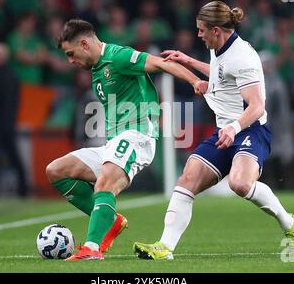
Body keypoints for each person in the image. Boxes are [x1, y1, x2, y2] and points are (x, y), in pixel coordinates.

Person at [133, 1, 294, 260]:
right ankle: (165, 247)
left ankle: (288, 222)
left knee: (239, 183)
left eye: (202, 30)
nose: (199, 35)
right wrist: (189, 61)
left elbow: (257, 106)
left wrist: (234, 128)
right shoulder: (220, 48)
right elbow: (222, 73)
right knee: (187, 179)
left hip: (250, 131)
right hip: (226, 130)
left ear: (216, 30)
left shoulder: (243, 57)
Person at [47, 19, 206, 261]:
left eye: (71, 54)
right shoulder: (97, 69)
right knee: (56, 170)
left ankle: (92, 248)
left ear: (84, 43)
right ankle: (109, 219)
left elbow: (160, 63)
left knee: (105, 183)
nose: (70, 61)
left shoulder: (118, 57)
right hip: (113, 143)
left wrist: (194, 81)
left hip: (137, 136)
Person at [0, 43, 27, 198]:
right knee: (4, 159)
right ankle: (19, 189)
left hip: (1, 126)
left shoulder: (4, 77)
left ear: (1, 57)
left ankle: (20, 189)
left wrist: (4, 125)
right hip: (0, 125)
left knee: (6, 158)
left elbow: (4, 104)